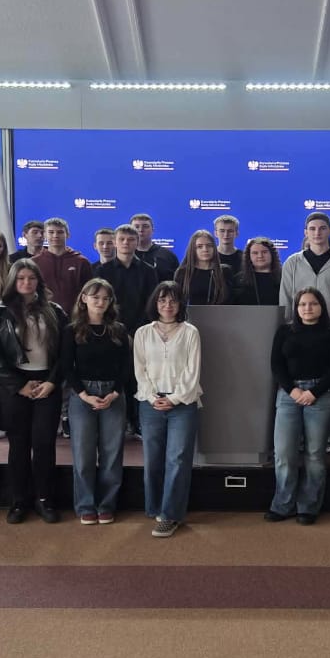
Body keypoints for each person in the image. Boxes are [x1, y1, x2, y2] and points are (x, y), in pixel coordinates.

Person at [0, 259, 70, 524]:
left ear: (38, 282)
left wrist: (52, 382)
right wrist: (18, 385)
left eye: (31, 278)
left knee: (44, 444)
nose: (26, 283)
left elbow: (65, 353)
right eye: (21, 278)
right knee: (19, 445)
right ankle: (18, 501)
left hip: (47, 383)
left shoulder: (55, 311)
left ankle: (44, 500)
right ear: (13, 281)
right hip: (16, 384)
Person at [279, 212, 330, 455]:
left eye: (322, 228)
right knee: (300, 382)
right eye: (312, 228)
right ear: (305, 232)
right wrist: (289, 332)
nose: (317, 233)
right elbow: (285, 299)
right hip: (299, 335)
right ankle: (301, 438)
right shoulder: (292, 262)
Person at [265, 287, 330, 525]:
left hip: (321, 396)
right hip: (289, 394)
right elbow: (276, 365)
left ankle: (309, 507)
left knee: (314, 454)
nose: (307, 308)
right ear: (296, 308)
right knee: (284, 453)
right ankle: (283, 505)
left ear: (322, 306)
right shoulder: (284, 331)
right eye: (302, 304)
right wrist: (293, 390)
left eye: (312, 304)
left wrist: (313, 392)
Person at [134, 281, 202, 538]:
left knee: (178, 459)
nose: (167, 305)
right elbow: (140, 371)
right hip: (150, 403)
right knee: (153, 459)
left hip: (183, 404)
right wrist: (153, 397)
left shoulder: (190, 332)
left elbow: (192, 373)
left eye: (173, 300)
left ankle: (171, 515)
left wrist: (173, 399)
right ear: (155, 303)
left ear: (180, 304)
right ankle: (155, 507)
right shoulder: (143, 333)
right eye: (162, 300)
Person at [61, 278, 131, 525]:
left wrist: (115, 393)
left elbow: (126, 366)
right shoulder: (71, 330)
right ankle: (85, 505)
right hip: (82, 395)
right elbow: (66, 367)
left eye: (105, 298)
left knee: (112, 453)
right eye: (95, 297)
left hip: (114, 394)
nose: (100, 302)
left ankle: (107, 505)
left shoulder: (118, 330)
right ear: (84, 298)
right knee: (84, 453)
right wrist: (84, 394)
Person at [96, 224, 159, 437]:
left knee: (139, 377)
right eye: (122, 239)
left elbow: (151, 304)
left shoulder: (148, 271)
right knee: (116, 375)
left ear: (137, 242)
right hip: (110, 332)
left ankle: (137, 421)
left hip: (141, 333)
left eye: (131, 240)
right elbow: (100, 304)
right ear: (115, 242)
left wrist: (136, 333)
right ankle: (118, 422)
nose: (126, 243)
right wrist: (118, 331)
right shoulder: (102, 271)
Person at [33, 216, 93, 310]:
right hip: (44, 314)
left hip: (75, 316)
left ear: (67, 235)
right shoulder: (34, 262)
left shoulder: (82, 262)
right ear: (44, 235)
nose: (55, 235)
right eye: (51, 232)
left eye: (60, 232)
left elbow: (89, 292)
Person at [175, 229, 233, 305]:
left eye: (209, 246)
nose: (205, 249)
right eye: (199, 246)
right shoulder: (183, 272)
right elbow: (177, 300)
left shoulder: (225, 271)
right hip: (191, 313)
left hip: (220, 312)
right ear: (193, 249)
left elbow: (231, 301)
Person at [232, 236, 282, 305]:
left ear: (272, 254)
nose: (260, 256)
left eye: (264, 252)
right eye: (255, 253)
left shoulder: (283, 278)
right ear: (249, 256)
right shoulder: (239, 280)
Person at [131, 213, 180, 282]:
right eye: (136, 227)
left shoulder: (168, 256)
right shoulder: (121, 256)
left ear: (152, 230)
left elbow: (176, 283)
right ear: (130, 231)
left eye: (145, 226)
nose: (141, 230)